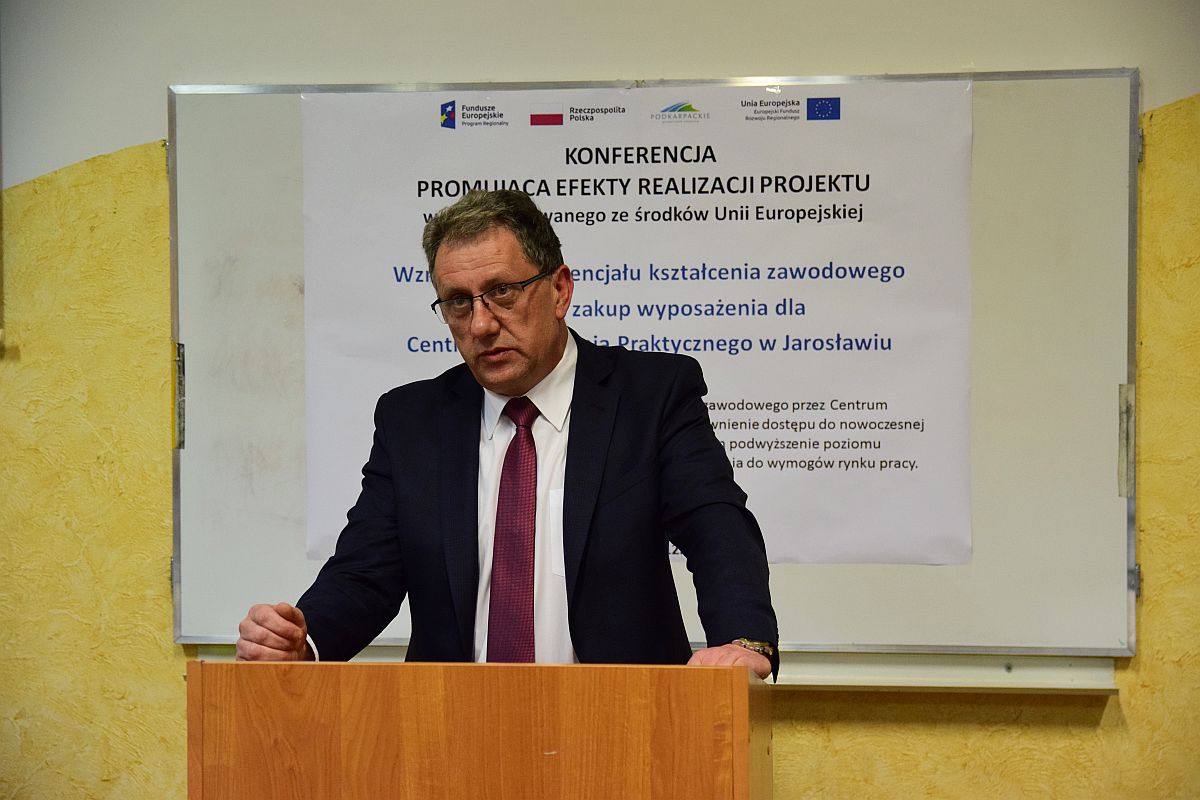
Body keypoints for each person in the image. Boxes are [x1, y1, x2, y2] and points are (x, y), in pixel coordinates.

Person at [236, 190, 779, 678]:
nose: (481, 324)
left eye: (502, 292)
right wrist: (302, 641)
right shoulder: (413, 421)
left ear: (560, 290)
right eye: (458, 301)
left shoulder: (650, 396)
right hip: (452, 727)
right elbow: (366, 571)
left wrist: (743, 639)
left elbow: (715, 525)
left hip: (620, 720)